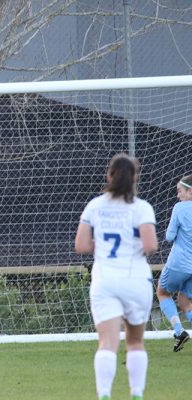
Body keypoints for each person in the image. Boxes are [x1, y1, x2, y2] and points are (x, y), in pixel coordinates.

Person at [75, 153, 158, 400]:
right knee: (135, 342)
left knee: (107, 343)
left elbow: (81, 245)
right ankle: (137, 393)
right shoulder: (142, 208)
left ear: (109, 175)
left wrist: (99, 242)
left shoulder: (95, 206)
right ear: (134, 178)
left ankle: (104, 394)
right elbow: (150, 244)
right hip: (135, 279)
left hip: (105, 280)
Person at [156, 174, 192, 352]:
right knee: (185, 301)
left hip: (179, 262)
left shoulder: (180, 208)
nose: (177, 195)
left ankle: (179, 332)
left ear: (189, 191)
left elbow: (169, 237)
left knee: (162, 292)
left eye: (180, 191)